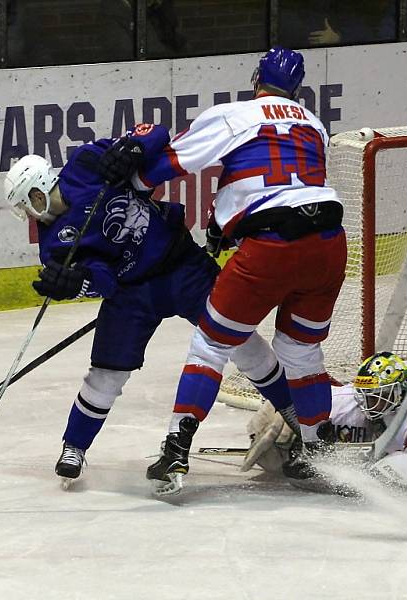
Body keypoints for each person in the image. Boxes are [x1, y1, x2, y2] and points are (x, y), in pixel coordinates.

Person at [96, 46, 348, 494]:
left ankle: (176, 450)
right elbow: (283, 182)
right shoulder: (314, 124)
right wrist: (221, 223)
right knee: (302, 352)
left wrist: (130, 183)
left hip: (271, 247)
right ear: (296, 89)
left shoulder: (234, 115)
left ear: (256, 80)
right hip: (329, 245)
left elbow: (174, 164)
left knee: (211, 341)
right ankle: (316, 452)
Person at [4, 125, 300, 492]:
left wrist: (131, 149)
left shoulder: (86, 163)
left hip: (180, 265)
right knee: (106, 374)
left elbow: (155, 134)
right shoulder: (53, 244)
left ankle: (293, 411)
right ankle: (74, 447)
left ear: (38, 188)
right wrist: (77, 282)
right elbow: (105, 279)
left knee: (238, 340)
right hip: (132, 293)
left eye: (26, 203)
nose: (29, 214)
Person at [244, 352, 407, 491]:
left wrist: (357, 476)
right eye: (365, 394)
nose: (368, 402)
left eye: (376, 396)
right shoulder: (356, 397)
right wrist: (288, 411)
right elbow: (308, 399)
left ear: (398, 393)